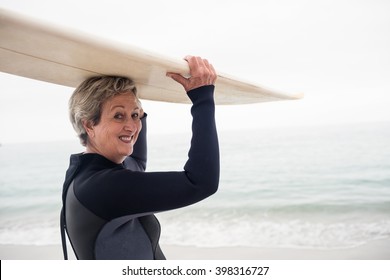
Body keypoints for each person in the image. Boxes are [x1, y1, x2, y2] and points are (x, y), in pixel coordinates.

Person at [60, 56, 220, 260]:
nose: (132, 125)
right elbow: (201, 182)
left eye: (135, 116)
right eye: (118, 116)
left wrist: (136, 98)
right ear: (89, 125)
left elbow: (137, 162)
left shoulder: (87, 174)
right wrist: (202, 99)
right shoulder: (101, 188)